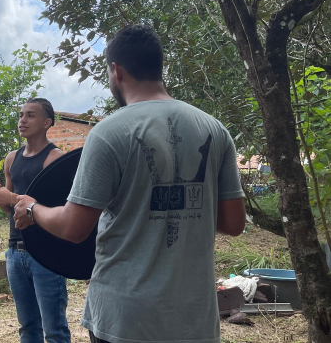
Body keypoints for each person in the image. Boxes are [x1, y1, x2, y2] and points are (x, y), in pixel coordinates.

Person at [13, 24, 246, 343]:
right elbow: (234, 223)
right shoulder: (214, 130)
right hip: (195, 321)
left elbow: (73, 227)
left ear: (116, 71)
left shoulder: (110, 132)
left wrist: (32, 208)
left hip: (125, 319)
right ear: (158, 67)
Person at [0, 97, 70, 343]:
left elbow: (60, 209)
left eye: (31, 115)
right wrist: (0, 200)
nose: (23, 120)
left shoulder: (54, 158)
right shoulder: (12, 158)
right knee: (27, 327)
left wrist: (10, 196)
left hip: (47, 253)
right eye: (21, 115)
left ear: (47, 123)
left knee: (54, 330)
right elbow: (12, 211)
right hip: (15, 252)